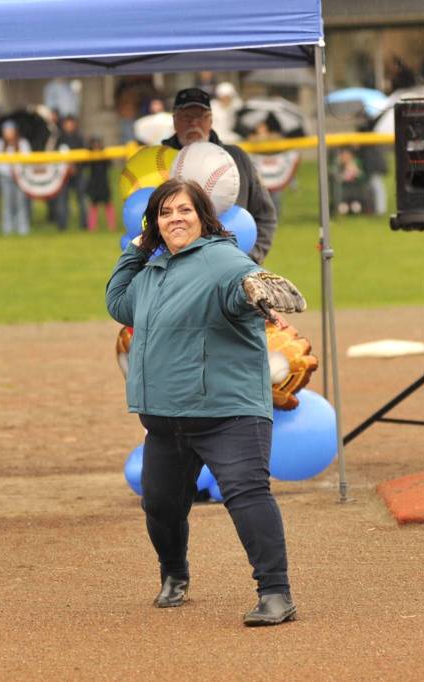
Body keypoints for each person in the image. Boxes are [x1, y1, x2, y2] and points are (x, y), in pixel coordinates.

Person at [106, 178, 306, 626]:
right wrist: (136, 250)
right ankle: (174, 574)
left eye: (184, 210)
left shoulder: (222, 259)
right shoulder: (154, 270)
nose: (175, 219)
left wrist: (254, 288)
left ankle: (275, 592)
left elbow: (240, 283)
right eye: (164, 213)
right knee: (160, 505)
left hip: (225, 411)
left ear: (203, 217)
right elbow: (119, 303)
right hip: (167, 417)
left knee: (247, 495)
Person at [162, 88, 277, 264]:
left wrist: (250, 258)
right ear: (174, 120)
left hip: (232, 269)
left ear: (211, 120)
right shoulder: (159, 161)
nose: (194, 123)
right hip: (174, 272)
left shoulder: (237, 158)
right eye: (186, 117)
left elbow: (265, 216)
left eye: (201, 116)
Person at [0, 120, 31, 235]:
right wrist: (8, 170)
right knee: (7, 202)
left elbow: (28, 159)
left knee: (20, 201)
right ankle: (7, 228)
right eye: (5, 131)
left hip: (20, 177)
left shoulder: (22, 143)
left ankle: (22, 228)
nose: (8, 133)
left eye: (10, 130)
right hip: (5, 177)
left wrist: (17, 170)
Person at [53, 115, 87, 231]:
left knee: (82, 199)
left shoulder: (79, 138)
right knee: (62, 200)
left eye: (71, 123)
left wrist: (76, 167)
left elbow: (84, 156)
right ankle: (62, 225)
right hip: (63, 174)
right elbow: (55, 156)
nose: (69, 126)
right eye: (67, 123)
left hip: (78, 173)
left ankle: (85, 224)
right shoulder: (59, 139)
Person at [85, 136, 114, 231]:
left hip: (104, 183)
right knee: (93, 206)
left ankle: (111, 227)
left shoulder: (104, 155)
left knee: (108, 204)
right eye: (94, 144)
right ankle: (92, 227)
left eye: (98, 144)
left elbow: (110, 164)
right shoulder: (89, 155)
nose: (96, 146)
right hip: (94, 183)